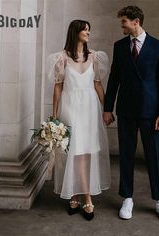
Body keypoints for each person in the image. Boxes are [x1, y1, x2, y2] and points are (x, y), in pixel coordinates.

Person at [103, 6, 159, 221]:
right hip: (127, 110)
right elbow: (114, 79)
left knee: (155, 157)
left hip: (152, 113)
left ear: (135, 21)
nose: (121, 25)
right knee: (126, 155)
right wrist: (107, 108)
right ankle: (127, 198)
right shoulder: (120, 46)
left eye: (123, 21)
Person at [47, 20, 111, 221]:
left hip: (90, 109)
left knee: (86, 152)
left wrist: (107, 109)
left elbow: (98, 85)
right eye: (84, 29)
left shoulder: (94, 57)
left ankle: (76, 196)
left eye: (89, 29)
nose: (88, 33)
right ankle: (86, 197)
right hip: (71, 107)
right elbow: (57, 87)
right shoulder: (61, 58)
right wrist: (55, 116)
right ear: (75, 32)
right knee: (74, 152)